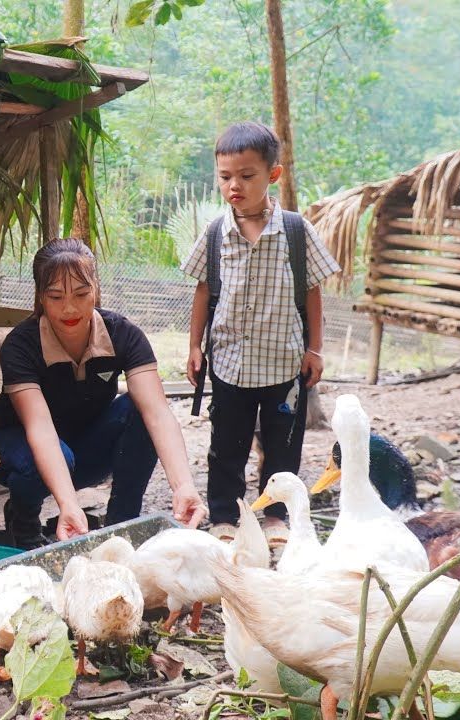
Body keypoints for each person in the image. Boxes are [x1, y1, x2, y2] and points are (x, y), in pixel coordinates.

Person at [0, 238, 208, 550]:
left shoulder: (124, 334)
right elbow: (39, 427)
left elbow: (158, 414)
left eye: (81, 294)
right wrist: (69, 505)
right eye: (55, 297)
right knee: (55, 458)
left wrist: (184, 485)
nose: (69, 308)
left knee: (138, 409)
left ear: (96, 289)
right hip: (19, 447)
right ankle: (23, 525)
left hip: (84, 448)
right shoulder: (21, 344)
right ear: (40, 297)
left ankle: (121, 529)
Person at [183, 121, 340, 546]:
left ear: (273, 175)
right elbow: (202, 290)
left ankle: (275, 516)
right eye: (225, 176)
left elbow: (313, 292)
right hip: (230, 363)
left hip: (284, 362)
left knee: (282, 446)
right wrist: (194, 347)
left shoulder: (294, 231)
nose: (234, 185)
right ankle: (226, 515)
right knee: (226, 447)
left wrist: (316, 350)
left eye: (246, 176)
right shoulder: (217, 233)